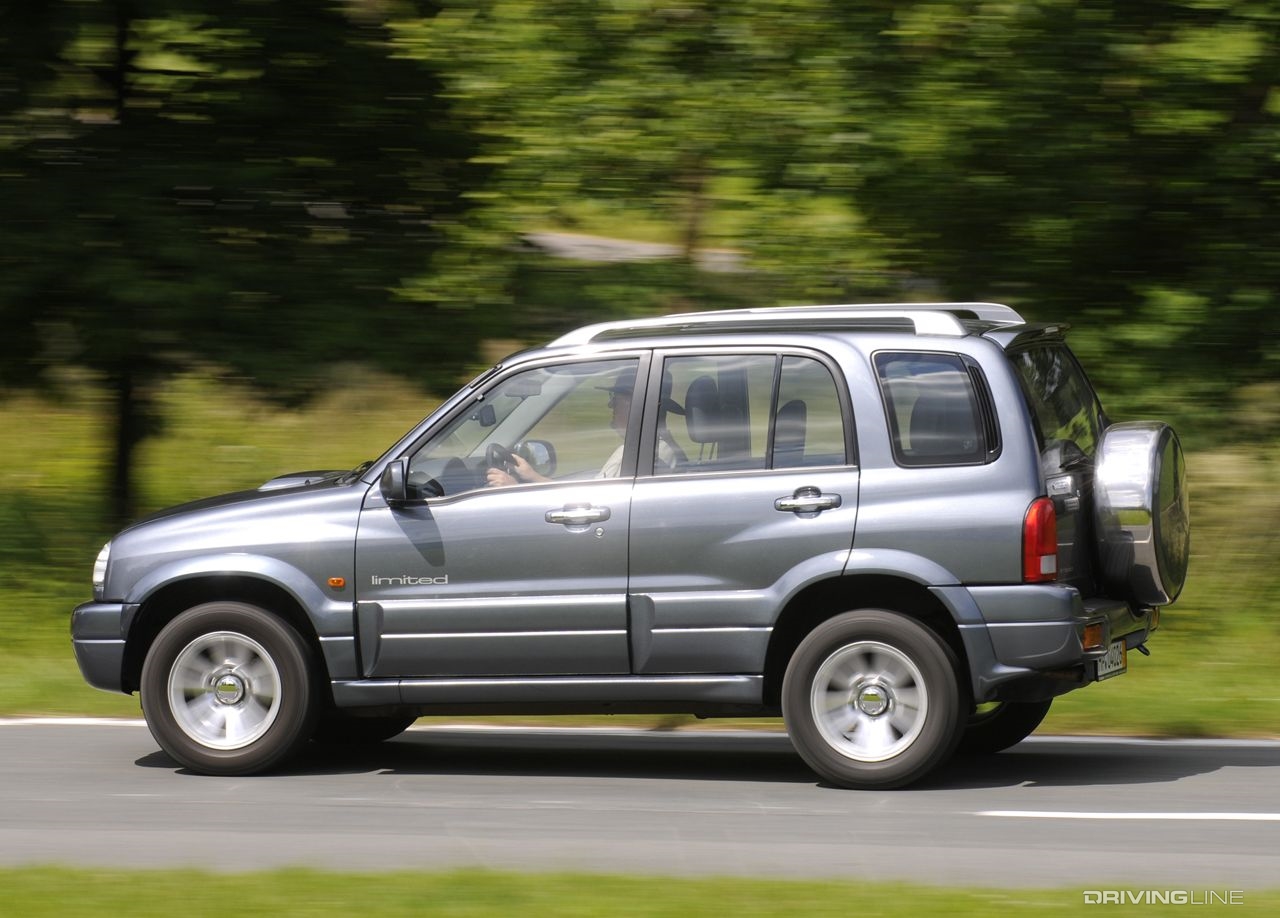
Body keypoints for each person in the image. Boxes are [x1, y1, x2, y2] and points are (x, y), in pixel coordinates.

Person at [485, 369, 679, 486]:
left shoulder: (645, 454)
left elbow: (594, 505)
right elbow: (593, 494)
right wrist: (533, 477)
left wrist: (514, 488)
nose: (610, 406)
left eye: (615, 399)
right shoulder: (645, 450)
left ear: (635, 405)